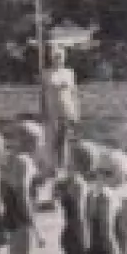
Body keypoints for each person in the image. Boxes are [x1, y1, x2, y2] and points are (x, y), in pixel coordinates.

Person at [2, 121, 46, 254]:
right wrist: (34, 226)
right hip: (21, 220)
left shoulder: (11, 158)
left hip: (12, 217)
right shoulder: (24, 162)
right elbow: (22, 195)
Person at [40, 44, 80, 180]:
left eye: (60, 57)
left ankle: (63, 167)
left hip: (66, 109)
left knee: (64, 140)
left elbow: (74, 93)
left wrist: (76, 111)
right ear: (52, 58)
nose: (58, 59)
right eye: (56, 57)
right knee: (52, 139)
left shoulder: (69, 73)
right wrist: (43, 111)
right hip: (52, 110)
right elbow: (43, 94)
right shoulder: (46, 73)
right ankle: (52, 167)